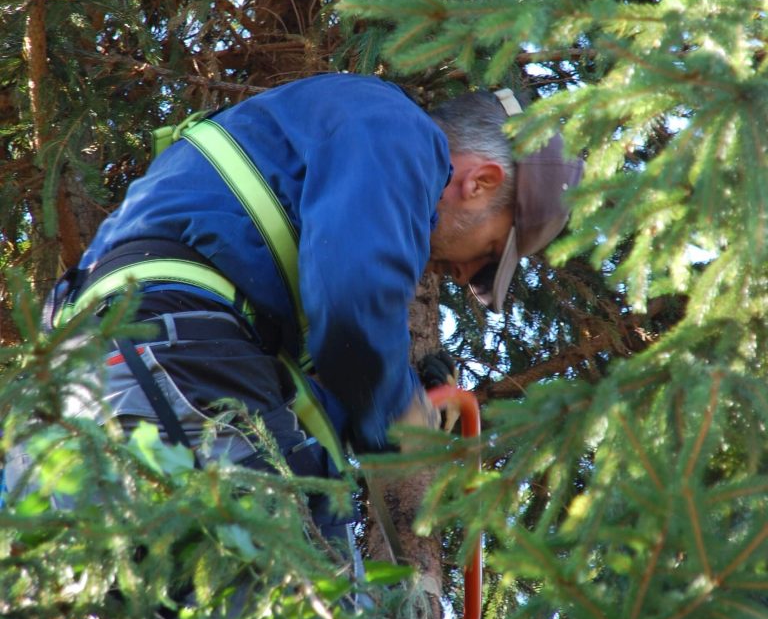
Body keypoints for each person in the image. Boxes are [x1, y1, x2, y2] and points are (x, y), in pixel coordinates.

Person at [43, 73, 583, 549]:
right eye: (490, 253)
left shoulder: (299, 171)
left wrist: (393, 396)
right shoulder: (398, 129)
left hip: (91, 377)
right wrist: (399, 413)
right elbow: (353, 301)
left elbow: (290, 376)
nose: (467, 277)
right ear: (481, 182)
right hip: (172, 356)